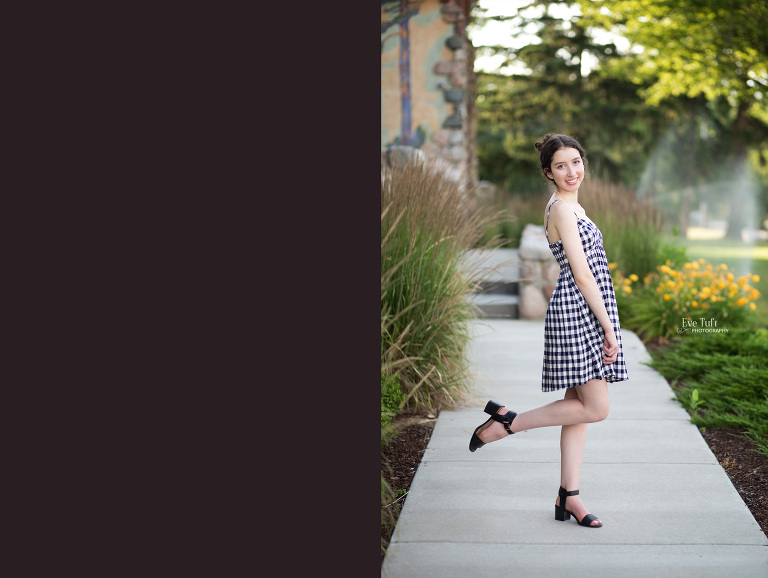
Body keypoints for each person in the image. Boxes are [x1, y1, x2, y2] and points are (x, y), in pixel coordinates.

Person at [468, 133, 629, 528]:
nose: (572, 171)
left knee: (578, 411)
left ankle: (568, 496)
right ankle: (509, 422)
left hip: (585, 309)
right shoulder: (560, 209)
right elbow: (582, 274)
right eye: (561, 165)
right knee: (597, 407)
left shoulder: (574, 205)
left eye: (576, 162)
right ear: (548, 172)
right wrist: (609, 328)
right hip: (579, 312)